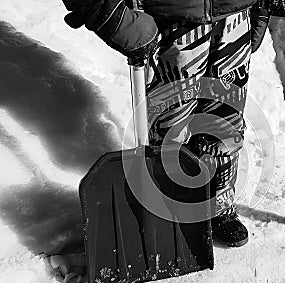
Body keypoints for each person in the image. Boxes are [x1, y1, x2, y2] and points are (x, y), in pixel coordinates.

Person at [62, 0, 271, 247]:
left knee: (224, 121)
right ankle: (171, 207)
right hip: (170, 18)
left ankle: (219, 205)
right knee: (172, 123)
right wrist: (113, 16)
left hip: (235, 14)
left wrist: (262, 6)